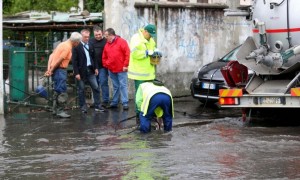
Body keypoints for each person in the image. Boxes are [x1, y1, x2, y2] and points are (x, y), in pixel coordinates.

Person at [45, 32, 82, 118]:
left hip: (56, 70)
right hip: (60, 70)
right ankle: (60, 111)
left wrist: (49, 69)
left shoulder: (62, 44)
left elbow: (51, 56)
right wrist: (51, 70)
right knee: (62, 91)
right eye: (78, 42)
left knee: (57, 90)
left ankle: (55, 110)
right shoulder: (67, 47)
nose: (78, 44)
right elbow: (59, 60)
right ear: (76, 42)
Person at [128, 24, 158, 123]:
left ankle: (149, 113)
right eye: (150, 34)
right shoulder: (136, 38)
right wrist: (146, 53)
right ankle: (139, 115)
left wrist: (156, 53)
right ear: (145, 31)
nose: (151, 37)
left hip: (149, 73)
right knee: (140, 96)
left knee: (150, 94)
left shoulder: (151, 40)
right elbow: (134, 53)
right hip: (139, 73)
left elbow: (152, 50)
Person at [72, 29, 105, 113]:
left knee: (96, 87)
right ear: (81, 37)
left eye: (88, 37)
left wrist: (96, 68)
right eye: (85, 37)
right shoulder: (77, 46)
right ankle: (83, 106)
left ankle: (98, 105)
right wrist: (76, 73)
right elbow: (74, 61)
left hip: (90, 70)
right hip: (81, 71)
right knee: (81, 89)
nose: (87, 38)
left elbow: (94, 57)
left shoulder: (90, 44)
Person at [102, 28, 130, 110]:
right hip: (112, 69)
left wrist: (125, 65)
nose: (105, 37)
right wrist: (107, 64)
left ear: (111, 35)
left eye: (106, 36)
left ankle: (125, 102)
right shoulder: (107, 44)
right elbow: (104, 56)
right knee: (116, 86)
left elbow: (127, 54)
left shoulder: (122, 41)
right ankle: (115, 102)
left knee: (123, 85)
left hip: (121, 69)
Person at [89, 26, 110, 108]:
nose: (98, 36)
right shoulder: (91, 41)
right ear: (93, 34)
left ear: (102, 33)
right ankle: (96, 101)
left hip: (103, 66)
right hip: (93, 67)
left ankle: (105, 101)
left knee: (103, 82)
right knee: (95, 84)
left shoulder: (106, 41)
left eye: (99, 34)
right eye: (96, 35)